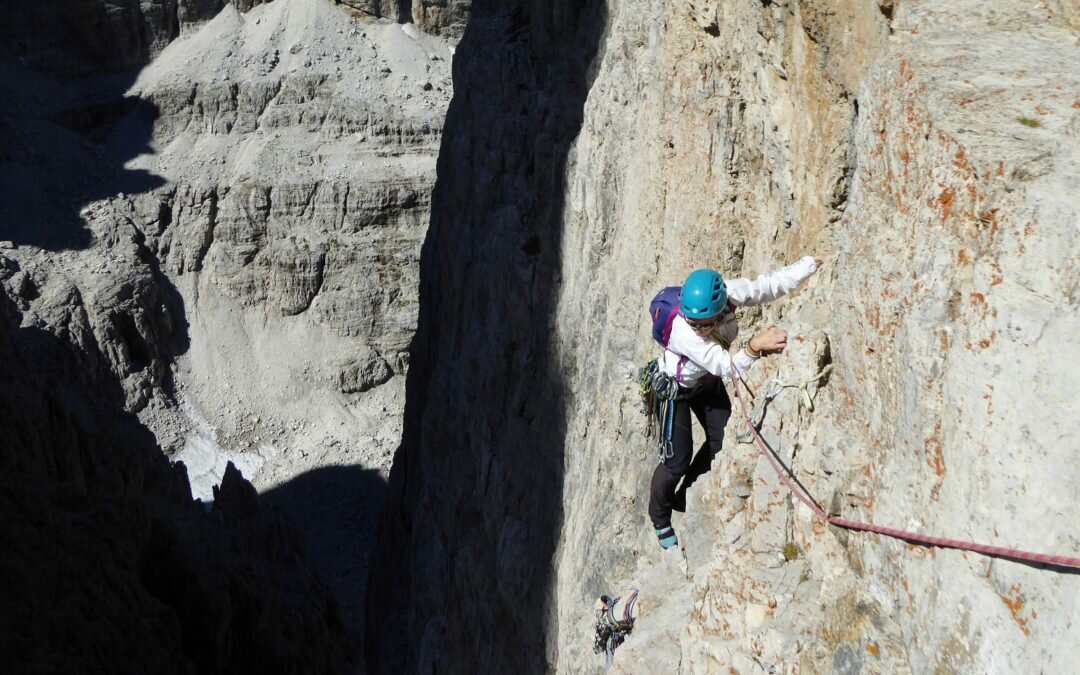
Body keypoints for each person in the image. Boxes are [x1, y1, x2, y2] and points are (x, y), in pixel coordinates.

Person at [650, 255, 827, 549]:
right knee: (675, 461)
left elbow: (767, 286)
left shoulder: (730, 294)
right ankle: (660, 518)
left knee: (721, 444)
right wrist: (754, 347)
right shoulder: (686, 334)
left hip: (705, 381)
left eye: (704, 324)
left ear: (719, 311)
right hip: (675, 389)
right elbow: (727, 367)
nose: (697, 329)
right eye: (693, 322)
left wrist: (810, 265)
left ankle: (687, 495)